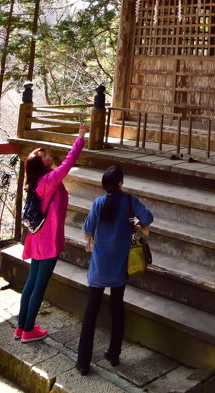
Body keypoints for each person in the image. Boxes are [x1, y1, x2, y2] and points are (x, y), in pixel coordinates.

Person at [76, 165, 153, 375]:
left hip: (99, 268)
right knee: (117, 309)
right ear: (120, 183)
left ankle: (83, 362)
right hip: (120, 267)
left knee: (90, 314)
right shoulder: (130, 201)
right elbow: (148, 218)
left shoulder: (98, 203)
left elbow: (86, 230)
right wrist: (134, 221)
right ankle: (114, 354)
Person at [15, 121, 87, 342]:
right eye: (45, 156)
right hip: (47, 241)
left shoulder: (35, 182)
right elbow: (68, 163)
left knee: (31, 282)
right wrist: (80, 138)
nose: (49, 157)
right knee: (39, 285)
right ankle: (29, 330)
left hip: (36, 238)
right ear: (41, 164)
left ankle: (21, 326)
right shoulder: (49, 180)